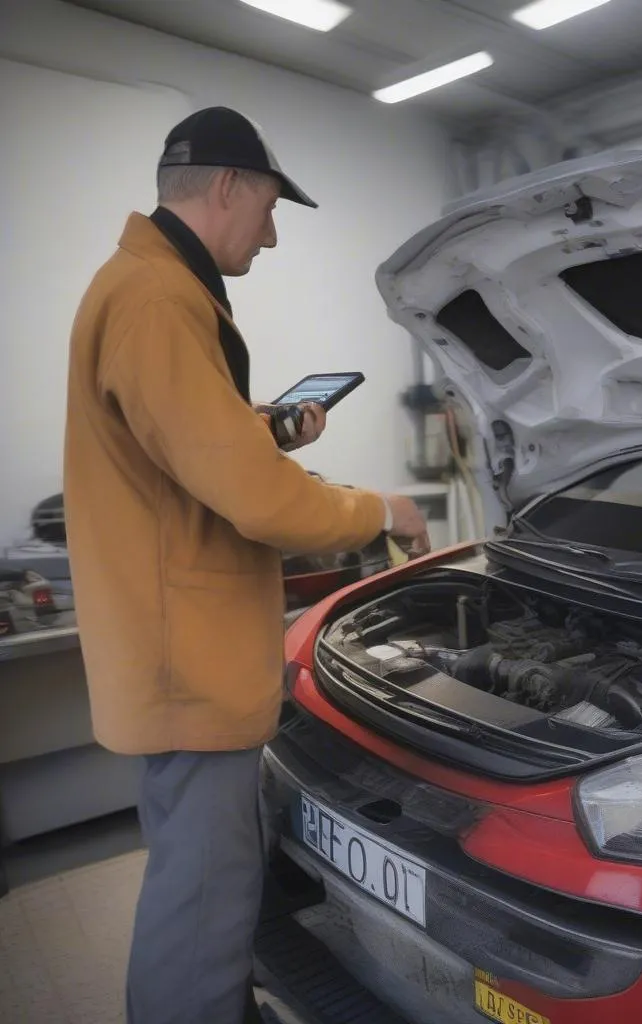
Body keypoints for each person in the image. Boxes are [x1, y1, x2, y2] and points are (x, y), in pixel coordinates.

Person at [63, 106, 430, 1024]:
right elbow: (261, 503)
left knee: (202, 882)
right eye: (269, 208)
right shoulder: (157, 300)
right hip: (186, 661)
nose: (270, 235)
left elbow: (186, 447)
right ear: (227, 185)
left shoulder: (149, 288)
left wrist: (261, 423)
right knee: (201, 899)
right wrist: (378, 509)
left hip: (175, 652)